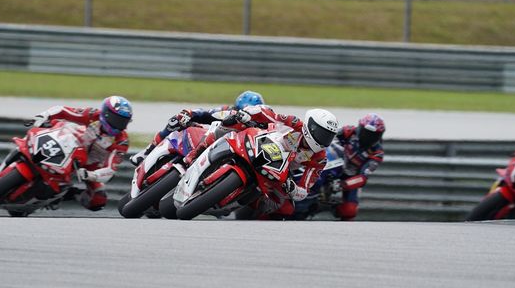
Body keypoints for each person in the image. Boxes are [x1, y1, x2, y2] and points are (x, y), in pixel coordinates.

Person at [183, 104, 339, 218]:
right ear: (310, 126)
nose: (324, 139)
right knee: (232, 122)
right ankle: (197, 153)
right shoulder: (294, 123)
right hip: (262, 142)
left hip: (278, 170)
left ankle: (240, 205)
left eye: (328, 136)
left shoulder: (319, 159)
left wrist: (293, 189)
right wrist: (248, 114)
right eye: (322, 133)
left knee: (283, 207)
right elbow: (267, 113)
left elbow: (304, 190)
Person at [25, 96, 132, 211]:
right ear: (105, 113)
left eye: (122, 122)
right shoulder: (92, 114)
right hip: (67, 143)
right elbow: (62, 110)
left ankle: (68, 193)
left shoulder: (122, 142)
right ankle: (25, 152)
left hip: (88, 166)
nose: (118, 125)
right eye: (116, 119)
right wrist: (44, 115)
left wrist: (91, 175)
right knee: (45, 129)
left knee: (98, 200)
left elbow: (110, 169)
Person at [129, 90, 265, 166]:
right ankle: (147, 151)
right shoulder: (228, 111)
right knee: (176, 122)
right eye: (241, 111)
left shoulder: (260, 128)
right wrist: (189, 113)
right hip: (208, 143)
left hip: (232, 154)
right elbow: (205, 114)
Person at [332, 113, 386, 221]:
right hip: (332, 165)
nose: (367, 136)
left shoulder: (377, 153)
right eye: (365, 132)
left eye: (372, 135)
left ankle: (333, 209)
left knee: (350, 210)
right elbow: (327, 141)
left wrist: (343, 185)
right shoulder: (349, 130)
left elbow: (363, 177)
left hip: (350, 177)